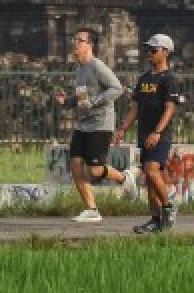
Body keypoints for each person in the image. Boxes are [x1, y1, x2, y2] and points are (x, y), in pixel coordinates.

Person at [55, 27, 136, 223]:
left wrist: (96, 101)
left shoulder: (97, 66)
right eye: (75, 39)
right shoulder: (79, 69)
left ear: (90, 45)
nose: (75, 43)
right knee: (75, 164)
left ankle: (124, 178)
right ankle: (91, 209)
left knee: (95, 171)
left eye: (80, 40)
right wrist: (67, 101)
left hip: (100, 125)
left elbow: (117, 88)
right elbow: (84, 97)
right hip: (83, 125)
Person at [116, 34, 181, 233]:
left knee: (152, 171)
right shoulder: (144, 79)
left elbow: (170, 109)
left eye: (154, 50)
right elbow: (135, 107)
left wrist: (157, 132)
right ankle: (155, 219)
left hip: (159, 135)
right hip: (144, 134)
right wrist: (122, 129)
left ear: (166, 53)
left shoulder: (169, 80)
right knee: (149, 180)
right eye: (148, 50)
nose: (149, 54)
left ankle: (169, 208)